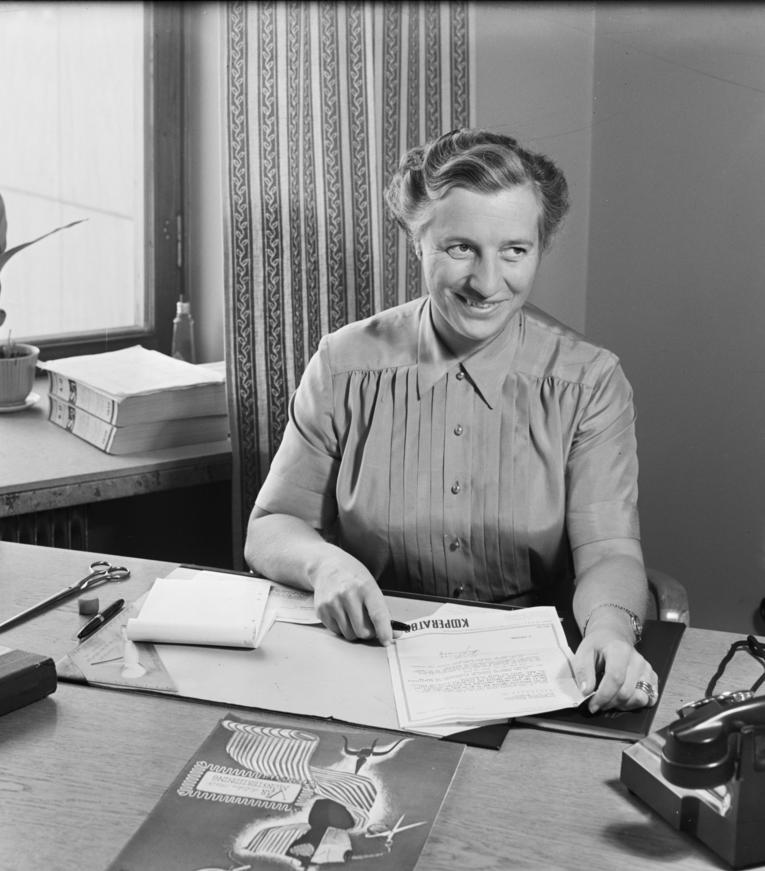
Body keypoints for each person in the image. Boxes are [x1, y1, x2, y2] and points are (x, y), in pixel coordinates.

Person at [244, 128, 657, 712]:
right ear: (419, 242)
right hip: (370, 655)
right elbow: (272, 525)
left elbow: (609, 551)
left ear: (540, 247)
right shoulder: (342, 365)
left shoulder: (589, 382)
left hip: (534, 675)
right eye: (461, 248)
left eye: (515, 251)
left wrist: (610, 631)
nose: (487, 283)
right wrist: (325, 565)